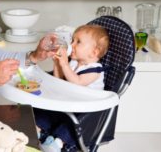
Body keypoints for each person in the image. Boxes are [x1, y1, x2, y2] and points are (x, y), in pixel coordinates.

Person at [35, 24, 110, 152]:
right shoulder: (73, 63)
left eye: (78, 42)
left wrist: (64, 64)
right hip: (69, 104)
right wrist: (57, 64)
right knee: (44, 112)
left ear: (94, 52)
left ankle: (56, 143)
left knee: (70, 126)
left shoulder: (95, 70)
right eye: (72, 40)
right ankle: (35, 130)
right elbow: (60, 82)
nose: (72, 45)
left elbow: (77, 82)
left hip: (84, 112)